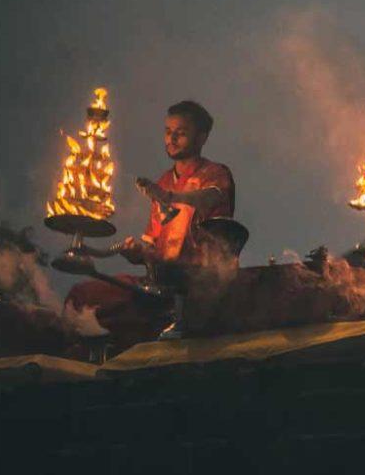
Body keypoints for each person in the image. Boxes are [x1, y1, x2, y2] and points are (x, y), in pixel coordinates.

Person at [64, 100, 236, 344]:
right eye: (168, 132)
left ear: (202, 138)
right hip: (158, 284)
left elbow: (210, 198)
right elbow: (152, 245)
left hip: (195, 284)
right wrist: (136, 251)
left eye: (181, 133)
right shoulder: (163, 182)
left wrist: (169, 198)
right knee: (81, 297)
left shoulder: (215, 174)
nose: (172, 139)